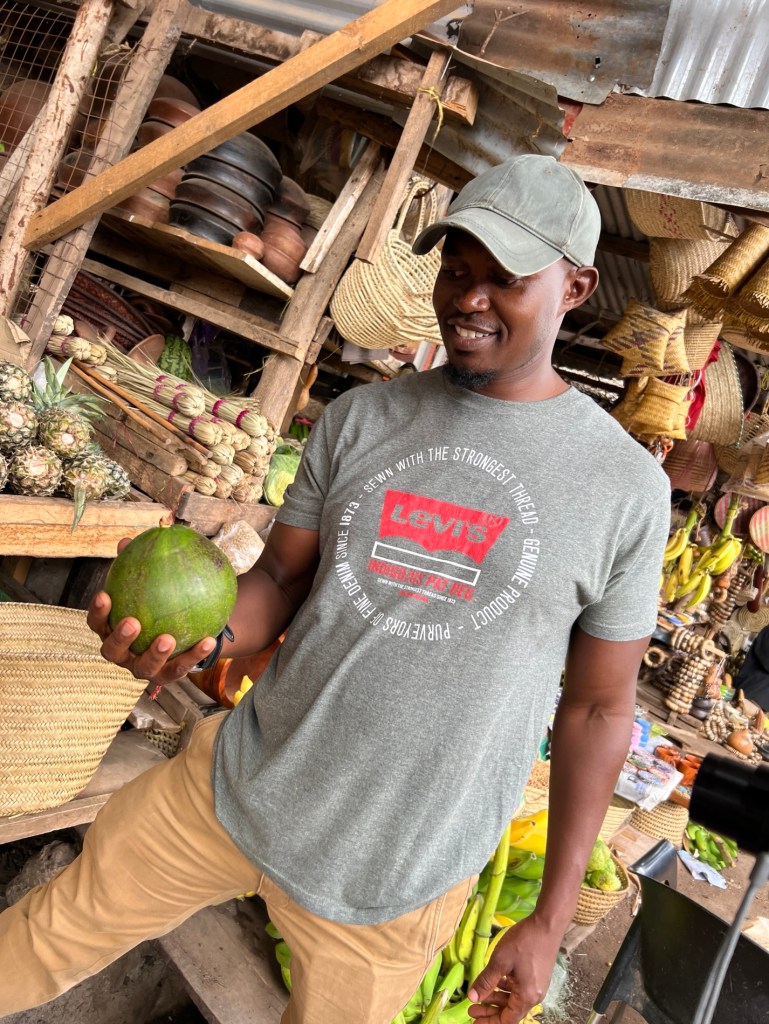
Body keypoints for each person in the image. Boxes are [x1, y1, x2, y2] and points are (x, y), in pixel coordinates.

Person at [0, 155, 670, 1024]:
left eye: (504, 279)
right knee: (43, 936)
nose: (468, 298)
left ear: (574, 288)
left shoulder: (623, 487)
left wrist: (550, 917)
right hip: (236, 785)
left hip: (395, 876)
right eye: (456, 269)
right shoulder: (361, 419)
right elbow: (280, 580)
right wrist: (194, 640)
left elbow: (599, 709)